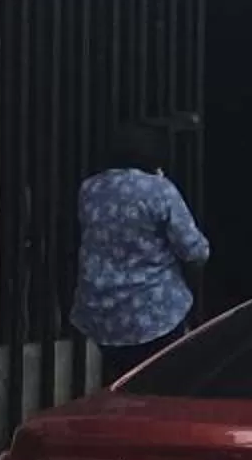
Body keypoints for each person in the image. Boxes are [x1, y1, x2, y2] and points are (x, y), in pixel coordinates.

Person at [72, 123, 210, 376]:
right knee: (161, 381)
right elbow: (194, 249)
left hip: (101, 312)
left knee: (117, 382)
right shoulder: (159, 190)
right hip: (154, 310)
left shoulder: (89, 189)